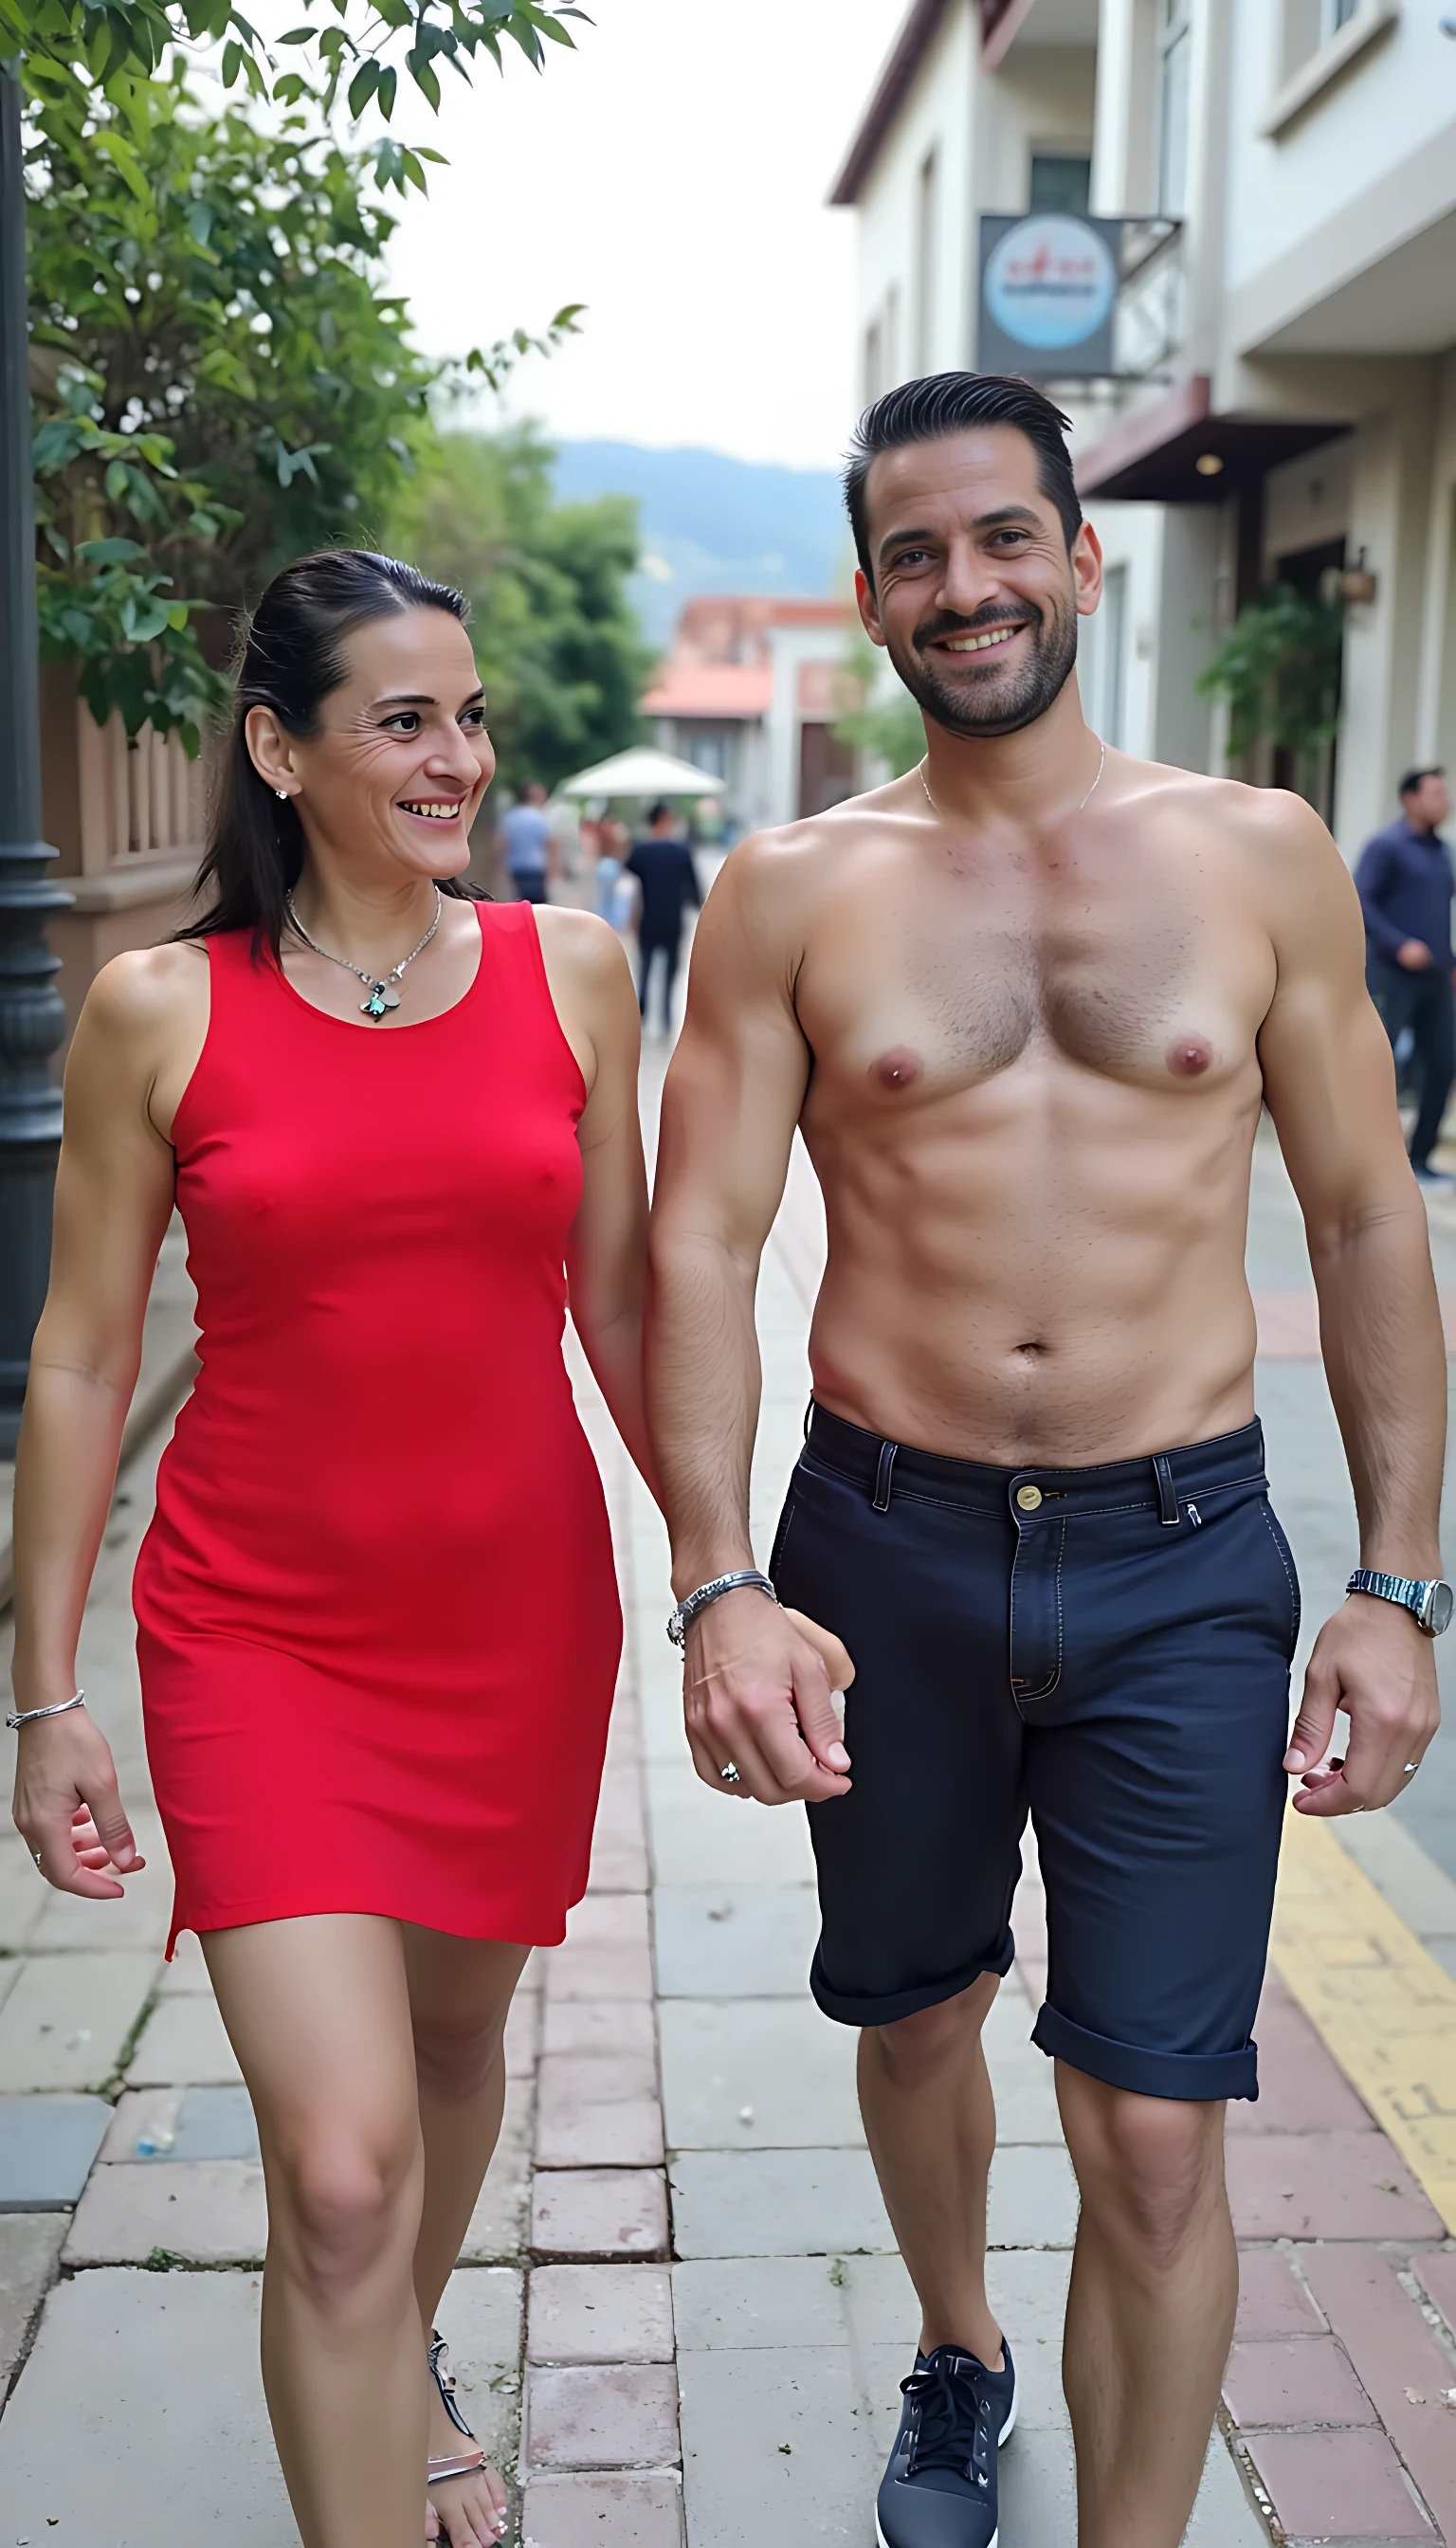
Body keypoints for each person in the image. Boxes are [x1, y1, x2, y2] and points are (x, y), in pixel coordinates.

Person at [646, 374, 1446, 2548]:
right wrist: (721, 1580)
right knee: (914, 2022)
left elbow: (1369, 1211)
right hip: (878, 1543)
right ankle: (955, 2346)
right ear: (871, 596)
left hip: (1179, 1553)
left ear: (1080, 557)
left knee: (1156, 2133)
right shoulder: (788, 886)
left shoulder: (1254, 857)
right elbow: (695, 1240)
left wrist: (1393, 1576)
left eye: (1002, 537)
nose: (962, 584)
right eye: (913, 552)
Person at [9, 550, 651, 2548]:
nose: (457, 757)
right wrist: (43, 1694)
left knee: (454, 2055)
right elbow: (85, 1351)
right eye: (405, 719)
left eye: (468, 717)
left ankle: (408, 2372)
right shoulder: (155, 1009)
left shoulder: (578, 968)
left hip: (519, 1616)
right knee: (345, 2169)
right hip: (255, 1633)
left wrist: (730, 1576)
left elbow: (627, 1310)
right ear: (279, 750)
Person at [1356, 767, 1454, 1188]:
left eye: (1443, 793)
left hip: (1436, 978)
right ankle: (1364, 1161)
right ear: (1409, 799)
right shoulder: (1387, 846)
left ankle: (1421, 1159)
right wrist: (1399, 945)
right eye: (1434, 793)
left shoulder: (1442, 852)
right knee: (1378, 1065)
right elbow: (1360, 900)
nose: (1443, 801)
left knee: (1444, 1062)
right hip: (1391, 975)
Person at [627, 801, 701, 1032]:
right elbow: (695, 893)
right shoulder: (681, 852)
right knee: (670, 970)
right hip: (672, 919)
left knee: (645, 967)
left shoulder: (640, 852)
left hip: (647, 918)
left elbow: (628, 884)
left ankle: (643, 1012)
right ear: (665, 821)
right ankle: (667, 1016)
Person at [496, 776, 554, 904]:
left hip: (516, 867)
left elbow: (501, 843)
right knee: (538, 907)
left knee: (520, 904)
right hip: (537, 867)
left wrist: (502, 865)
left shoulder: (511, 817)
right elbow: (550, 844)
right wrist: (553, 868)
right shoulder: (541, 818)